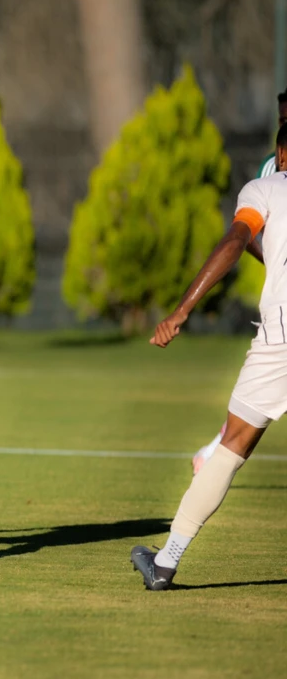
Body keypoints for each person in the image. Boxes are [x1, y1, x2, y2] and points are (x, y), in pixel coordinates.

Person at [132, 124, 287, 591]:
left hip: (282, 336)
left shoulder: (264, 187)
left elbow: (235, 242)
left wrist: (181, 311)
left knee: (231, 446)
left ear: (281, 152)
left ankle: (165, 563)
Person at [189, 87, 287, 473]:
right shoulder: (270, 172)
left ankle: (217, 451)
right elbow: (245, 237)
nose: (285, 123)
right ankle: (218, 449)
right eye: (281, 119)